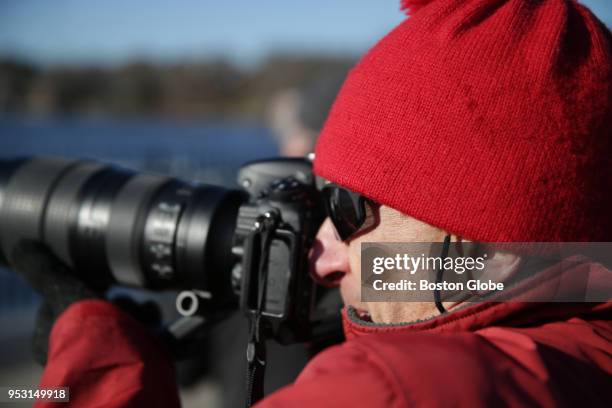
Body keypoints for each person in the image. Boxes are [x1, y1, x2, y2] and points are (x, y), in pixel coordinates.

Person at [8, 0, 612, 406]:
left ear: (495, 250)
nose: (320, 257)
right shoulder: (586, 334)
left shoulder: (384, 391)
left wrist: (95, 366)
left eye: (347, 207)